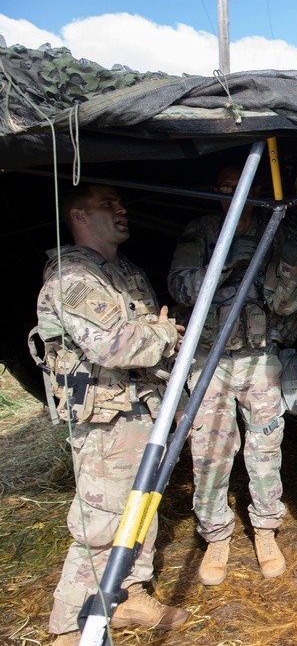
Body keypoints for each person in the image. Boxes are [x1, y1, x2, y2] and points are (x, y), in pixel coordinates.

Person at [36, 184, 189, 645]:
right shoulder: (73, 278)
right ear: (79, 215)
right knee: (101, 522)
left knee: (141, 508)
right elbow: (118, 344)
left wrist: (160, 347)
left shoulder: (126, 273)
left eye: (121, 203)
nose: (122, 210)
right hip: (104, 419)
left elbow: (146, 341)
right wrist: (162, 332)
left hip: (141, 410)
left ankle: (125, 595)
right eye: (109, 204)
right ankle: (69, 626)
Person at [167, 166, 297, 586]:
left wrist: (286, 263)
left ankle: (265, 530)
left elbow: (287, 305)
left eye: (242, 188)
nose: (235, 196)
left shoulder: (274, 232)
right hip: (208, 359)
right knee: (209, 451)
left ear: (257, 191)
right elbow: (181, 288)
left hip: (259, 358)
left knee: (265, 448)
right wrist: (230, 263)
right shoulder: (202, 230)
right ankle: (217, 536)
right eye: (226, 188)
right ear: (216, 191)